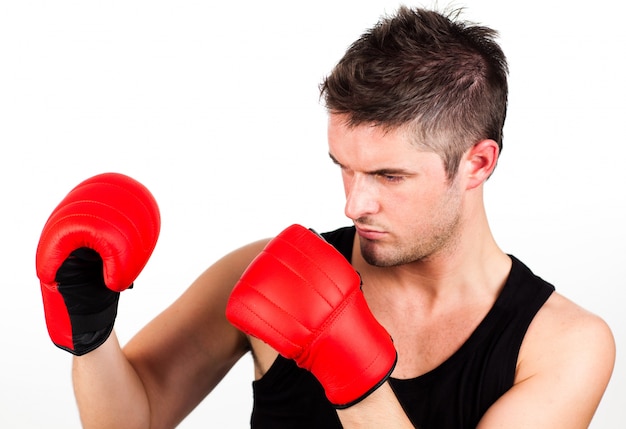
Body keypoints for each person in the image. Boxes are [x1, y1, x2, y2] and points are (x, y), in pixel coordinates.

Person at [35, 6, 615, 429]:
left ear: (478, 163)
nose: (353, 205)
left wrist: (354, 376)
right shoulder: (267, 271)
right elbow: (133, 421)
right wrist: (90, 331)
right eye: (344, 167)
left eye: (389, 176)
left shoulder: (562, 345)